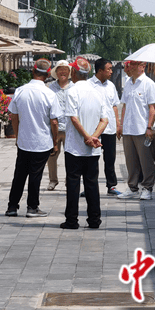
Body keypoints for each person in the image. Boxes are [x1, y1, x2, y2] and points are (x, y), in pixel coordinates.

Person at [5, 58, 61, 218]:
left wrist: (17, 135)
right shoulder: (49, 94)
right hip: (42, 141)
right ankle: (32, 207)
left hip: (24, 140)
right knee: (35, 174)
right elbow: (54, 122)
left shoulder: (20, 91)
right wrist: (55, 141)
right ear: (48, 75)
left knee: (20, 174)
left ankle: (12, 207)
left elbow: (13, 116)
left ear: (33, 71)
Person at [61, 57, 106, 230]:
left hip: (74, 148)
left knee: (73, 184)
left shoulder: (72, 92)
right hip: (92, 150)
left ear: (73, 72)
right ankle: (94, 220)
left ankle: (72, 220)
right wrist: (94, 137)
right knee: (92, 184)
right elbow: (105, 120)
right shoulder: (97, 91)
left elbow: (73, 118)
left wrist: (87, 137)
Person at [117, 61, 155, 200]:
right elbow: (124, 106)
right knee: (130, 161)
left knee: (146, 160)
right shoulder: (128, 83)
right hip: (129, 128)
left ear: (143, 66)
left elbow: (153, 108)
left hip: (142, 129)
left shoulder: (149, 83)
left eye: (134, 64)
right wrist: (121, 125)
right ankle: (132, 187)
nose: (131, 67)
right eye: (130, 64)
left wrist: (149, 127)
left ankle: (147, 188)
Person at [89, 57, 121, 196]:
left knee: (110, 158)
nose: (111, 72)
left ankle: (111, 185)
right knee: (92, 159)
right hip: (94, 128)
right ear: (100, 70)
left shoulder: (111, 86)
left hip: (110, 128)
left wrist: (118, 124)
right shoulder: (89, 85)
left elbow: (114, 106)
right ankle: (90, 185)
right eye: (108, 69)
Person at [46, 59, 73, 191]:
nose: (63, 72)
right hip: (54, 127)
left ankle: (70, 180)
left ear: (69, 72)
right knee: (51, 156)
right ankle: (53, 180)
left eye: (65, 70)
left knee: (70, 156)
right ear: (56, 72)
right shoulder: (51, 88)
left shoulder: (74, 88)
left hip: (70, 127)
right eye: (60, 70)